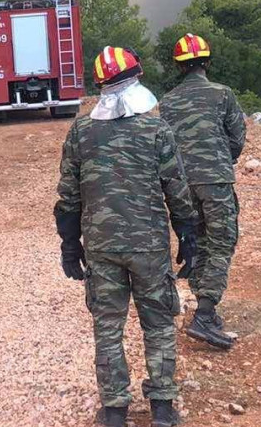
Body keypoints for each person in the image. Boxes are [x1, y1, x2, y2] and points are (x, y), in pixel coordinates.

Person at [54, 46, 197, 427]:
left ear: (100, 84)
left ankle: (114, 410)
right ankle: (162, 408)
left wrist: (70, 244)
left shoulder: (81, 131)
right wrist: (187, 234)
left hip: (101, 248)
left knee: (107, 327)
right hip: (149, 246)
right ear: (137, 76)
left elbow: (68, 196)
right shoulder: (156, 129)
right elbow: (176, 188)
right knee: (158, 323)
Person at [158, 34, 246, 351]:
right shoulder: (223, 94)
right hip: (216, 181)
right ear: (207, 62)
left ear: (179, 66)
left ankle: (204, 305)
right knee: (222, 241)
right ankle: (205, 314)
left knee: (197, 242)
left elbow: (164, 145)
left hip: (181, 185)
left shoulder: (167, 102)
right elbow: (237, 138)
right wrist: (220, 160)